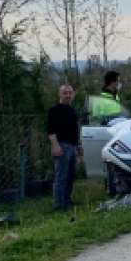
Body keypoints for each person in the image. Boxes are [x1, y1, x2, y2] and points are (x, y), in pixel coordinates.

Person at [47, 84, 82, 212]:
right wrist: (55, 146)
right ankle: (58, 205)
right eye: (65, 93)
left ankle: (67, 200)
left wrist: (78, 146)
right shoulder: (54, 110)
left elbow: (75, 130)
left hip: (72, 146)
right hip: (61, 145)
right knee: (60, 176)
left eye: (70, 93)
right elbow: (51, 131)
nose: (68, 95)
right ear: (59, 94)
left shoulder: (72, 110)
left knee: (70, 176)